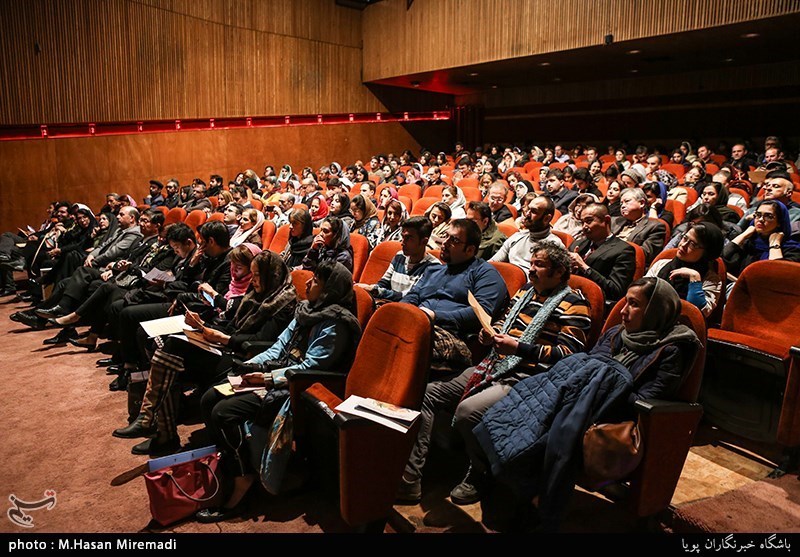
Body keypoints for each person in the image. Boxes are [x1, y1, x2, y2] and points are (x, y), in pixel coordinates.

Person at [473, 278, 701, 531]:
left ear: (655, 311)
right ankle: (515, 493)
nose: (623, 311)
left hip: (615, 417)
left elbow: (645, 399)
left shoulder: (671, 350)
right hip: (578, 400)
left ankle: (538, 508)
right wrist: (595, 382)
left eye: (634, 305)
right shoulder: (616, 333)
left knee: (549, 434)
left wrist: (605, 384)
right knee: (521, 413)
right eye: (625, 302)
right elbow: (585, 367)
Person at [397, 241, 592, 505]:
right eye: (532, 263)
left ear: (559, 272)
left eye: (539, 265)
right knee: (427, 393)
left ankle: (480, 471)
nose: (531, 269)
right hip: (493, 365)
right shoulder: (526, 291)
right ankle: (410, 482)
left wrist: (518, 347)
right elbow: (504, 322)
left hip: (528, 379)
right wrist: (489, 333)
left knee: (467, 411)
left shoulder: (575, 304)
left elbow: (569, 355)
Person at [196, 261, 362, 522]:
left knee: (223, 413)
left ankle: (243, 480)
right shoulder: (307, 310)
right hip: (275, 375)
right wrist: (251, 365)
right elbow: (279, 347)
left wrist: (265, 377)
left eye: (316, 281)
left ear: (330, 289)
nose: (307, 283)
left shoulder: (335, 324)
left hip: (297, 388)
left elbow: (310, 369)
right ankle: (231, 463)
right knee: (210, 397)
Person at [112, 248, 297, 456]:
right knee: (164, 347)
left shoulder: (283, 305)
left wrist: (222, 338)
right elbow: (233, 324)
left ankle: (157, 427)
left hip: (244, 358)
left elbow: (262, 342)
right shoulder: (256, 294)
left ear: (270, 276)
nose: (251, 280)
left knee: (171, 349)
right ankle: (156, 426)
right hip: (227, 346)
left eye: (256, 276)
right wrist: (204, 328)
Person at [402, 219, 508, 373]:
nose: (444, 243)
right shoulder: (433, 270)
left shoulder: (485, 274)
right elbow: (413, 296)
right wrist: (402, 311)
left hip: (453, 336)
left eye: (454, 240)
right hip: (417, 323)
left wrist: (434, 316)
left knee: (407, 343)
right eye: (446, 236)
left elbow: (480, 314)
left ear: (470, 250)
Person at [646, 222, 724, 318]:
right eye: (685, 238)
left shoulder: (712, 279)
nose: (683, 245)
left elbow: (697, 315)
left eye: (693, 244)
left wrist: (694, 278)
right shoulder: (661, 264)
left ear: (707, 253)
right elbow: (642, 294)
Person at [356, 216, 440, 302]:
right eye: (403, 237)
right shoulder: (399, 256)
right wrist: (370, 288)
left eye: (408, 238)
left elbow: (411, 296)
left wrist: (375, 290)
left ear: (424, 242)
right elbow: (383, 284)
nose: (402, 242)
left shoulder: (433, 267)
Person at [568, 203, 637, 306]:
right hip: (566, 295)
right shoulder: (577, 244)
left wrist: (584, 267)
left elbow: (616, 291)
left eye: (589, 221)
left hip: (592, 303)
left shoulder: (624, 250)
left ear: (607, 220)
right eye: (582, 222)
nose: (584, 227)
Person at [723, 199, 800, 280]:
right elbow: (722, 261)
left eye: (768, 216)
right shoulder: (749, 242)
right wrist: (743, 235)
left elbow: (779, 275)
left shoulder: (792, 248)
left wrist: (775, 245)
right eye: (758, 215)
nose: (760, 220)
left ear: (779, 222)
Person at [490, 195, 564, 273]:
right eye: (528, 209)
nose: (527, 214)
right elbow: (493, 262)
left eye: (534, 211)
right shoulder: (517, 236)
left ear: (547, 218)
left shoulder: (555, 245)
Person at [611, 188, 666, 265]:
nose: (623, 206)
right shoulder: (614, 221)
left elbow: (645, 254)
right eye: (621, 204)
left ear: (642, 203)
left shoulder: (655, 227)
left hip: (624, 265)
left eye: (627, 201)